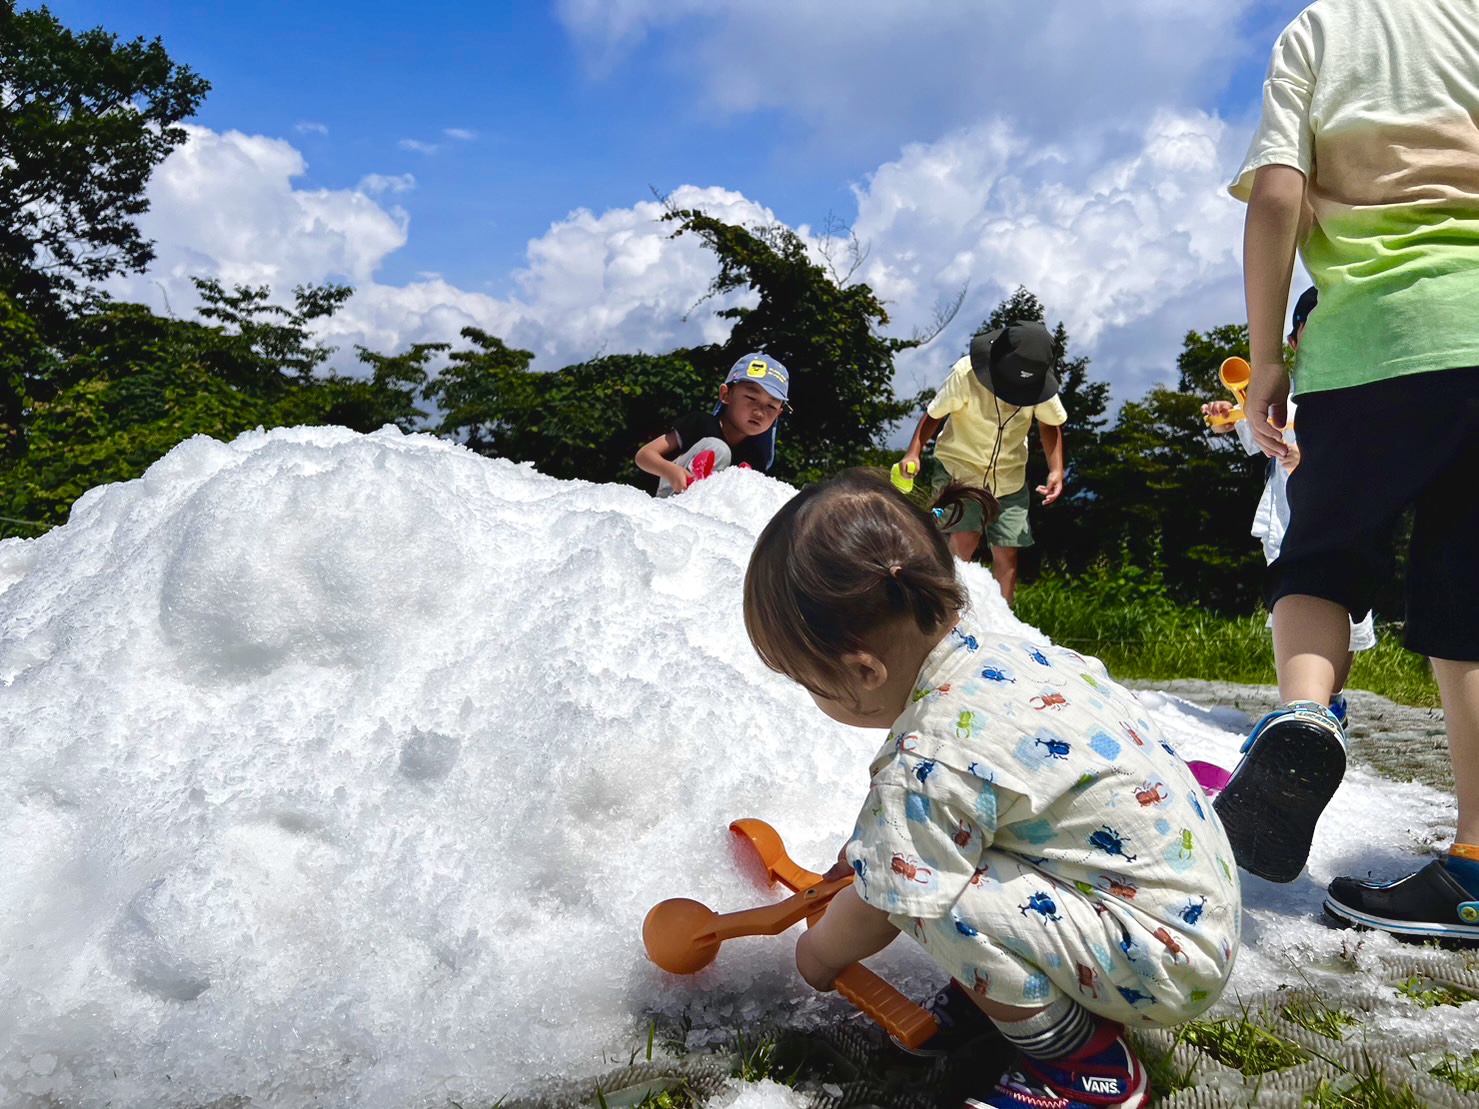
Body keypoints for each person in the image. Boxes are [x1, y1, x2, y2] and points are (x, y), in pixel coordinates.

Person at [743, 469, 1240, 1109]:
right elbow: (980, 802)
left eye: (810, 683)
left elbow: (887, 898)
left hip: (1162, 960)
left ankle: (1086, 1073)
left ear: (863, 670)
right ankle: (1005, 998)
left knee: (924, 891)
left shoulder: (932, 748)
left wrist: (818, 955)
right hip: (1194, 910)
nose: (813, 699)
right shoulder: (1012, 658)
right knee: (935, 859)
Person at [1216, 0, 1479, 938]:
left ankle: (1303, 718)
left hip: (1373, 342)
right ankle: (1476, 867)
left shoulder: (1322, 30)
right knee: (1468, 603)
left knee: (1320, 551)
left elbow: (1279, 194)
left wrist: (1266, 355)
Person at [1200, 287, 1376, 728]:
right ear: (1294, 341)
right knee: (1292, 606)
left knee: (1350, 621)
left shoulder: (1366, 395)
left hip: (1347, 527)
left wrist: (1307, 468)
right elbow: (1248, 433)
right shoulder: (1283, 391)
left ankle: (1331, 700)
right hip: (1285, 521)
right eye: (1313, 330)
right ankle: (1300, 709)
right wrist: (1227, 415)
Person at [897, 321, 1067, 606]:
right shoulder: (966, 373)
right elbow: (934, 415)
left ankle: (1003, 621)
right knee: (965, 537)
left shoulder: (1039, 382)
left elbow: (1051, 424)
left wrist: (1057, 469)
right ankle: (943, 609)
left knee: (1008, 550)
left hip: (1009, 476)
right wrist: (914, 451)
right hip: (959, 468)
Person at [634, 353, 788, 497]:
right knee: (718, 449)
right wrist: (670, 471)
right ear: (725, 394)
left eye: (771, 406)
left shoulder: (755, 459)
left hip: (710, 516)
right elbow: (644, 455)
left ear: (778, 414)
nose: (759, 413)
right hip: (670, 500)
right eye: (751, 397)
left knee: (748, 478)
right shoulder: (700, 423)